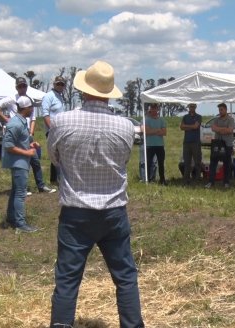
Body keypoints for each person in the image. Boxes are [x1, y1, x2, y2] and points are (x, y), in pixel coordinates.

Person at [47, 60, 144, 328]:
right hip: (113, 209)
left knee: (67, 278)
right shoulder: (126, 126)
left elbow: (55, 159)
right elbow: (123, 161)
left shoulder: (62, 121)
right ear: (109, 92)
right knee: (125, 276)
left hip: (76, 210)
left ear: (83, 90)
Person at [0, 77, 56, 194]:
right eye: (20, 86)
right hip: (16, 134)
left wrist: (31, 133)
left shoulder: (29, 100)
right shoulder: (12, 98)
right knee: (19, 162)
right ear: (16, 87)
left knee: (35, 161)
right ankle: (20, 188)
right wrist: (6, 119)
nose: (22, 88)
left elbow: (33, 119)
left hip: (26, 134)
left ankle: (41, 186)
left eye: (24, 86)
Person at [1, 96, 40, 233]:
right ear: (27, 108)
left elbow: (18, 141)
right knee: (20, 193)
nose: (33, 109)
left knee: (16, 191)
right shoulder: (15, 124)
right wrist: (27, 152)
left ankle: (12, 218)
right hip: (19, 162)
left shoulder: (21, 122)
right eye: (31, 107)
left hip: (20, 161)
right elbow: (8, 145)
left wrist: (30, 144)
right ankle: (20, 224)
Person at [42, 76, 66, 184]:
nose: (60, 86)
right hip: (52, 130)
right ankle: (55, 179)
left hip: (61, 130)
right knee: (54, 153)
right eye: (58, 84)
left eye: (62, 84)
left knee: (60, 154)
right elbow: (45, 114)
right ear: (54, 84)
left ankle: (57, 178)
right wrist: (51, 129)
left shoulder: (60, 97)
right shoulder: (48, 96)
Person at [205, 102, 235, 188]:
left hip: (227, 145)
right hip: (217, 144)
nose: (220, 111)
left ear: (226, 110)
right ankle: (211, 182)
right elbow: (213, 128)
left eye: (222, 110)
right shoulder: (216, 119)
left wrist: (220, 129)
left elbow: (230, 130)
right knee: (213, 163)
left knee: (227, 164)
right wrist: (223, 129)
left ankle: (226, 182)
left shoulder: (231, 120)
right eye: (219, 110)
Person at [144, 103, 167, 185]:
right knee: (148, 163)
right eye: (152, 109)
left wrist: (152, 130)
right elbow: (147, 132)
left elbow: (164, 132)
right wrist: (158, 130)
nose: (153, 110)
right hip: (150, 145)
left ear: (157, 110)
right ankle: (148, 180)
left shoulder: (162, 120)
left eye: (155, 109)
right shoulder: (146, 120)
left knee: (161, 163)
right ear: (150, 110)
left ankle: (162, 180)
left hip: (160, 146)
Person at [180, 103, 202, 184]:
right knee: (187, 161)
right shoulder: (185, 117)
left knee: (197, 161)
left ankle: (197, 178)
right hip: (186, 142)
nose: (191, 108)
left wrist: (187, 126)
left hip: (196, 142)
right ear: (188, 107)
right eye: (190, 107)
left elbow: (196, 127)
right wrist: (191, 126)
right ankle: (186, 179)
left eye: (193, 106)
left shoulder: (199, 117)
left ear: (195, 107)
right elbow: (181, 127)